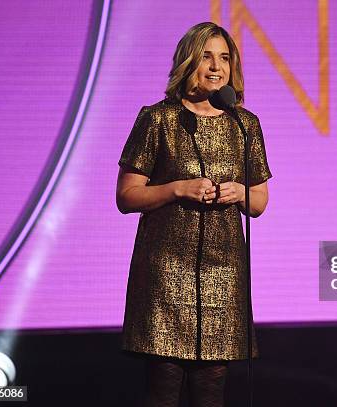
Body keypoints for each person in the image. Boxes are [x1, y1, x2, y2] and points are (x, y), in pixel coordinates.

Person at [115, 22, 272, 407]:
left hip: (223, 271)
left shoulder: (245, 124)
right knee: (164, 390)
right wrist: (177, 188)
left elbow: (260, 201)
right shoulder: (159, 119)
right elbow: (126, 195)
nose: (216, 66)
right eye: (206, 56)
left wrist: (239, 193)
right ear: (189, 62)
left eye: (224, 58)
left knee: (211, 392)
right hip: (166, 270)